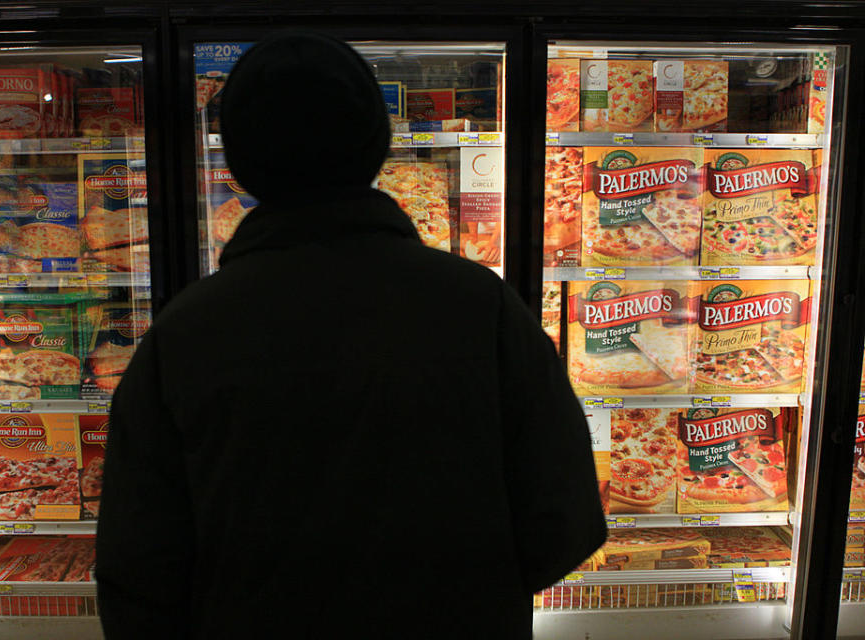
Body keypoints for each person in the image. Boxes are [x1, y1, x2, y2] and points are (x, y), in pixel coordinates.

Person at [96, 32, 606, 640]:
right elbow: (565, 524)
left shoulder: (183, 332)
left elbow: (135, 574)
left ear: (235, 161)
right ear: (378, 146)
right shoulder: (481, 306)